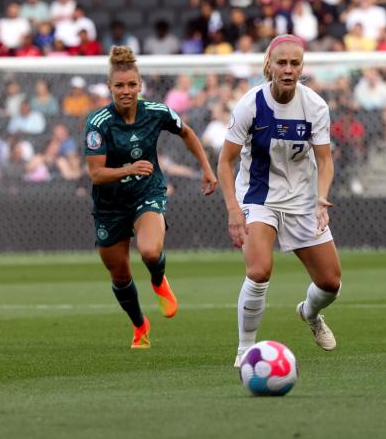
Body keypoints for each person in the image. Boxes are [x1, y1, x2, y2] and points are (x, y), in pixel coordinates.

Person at [216, 34, 342, 368]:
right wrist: (232, 209)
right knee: (259, 271)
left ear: (302, 67)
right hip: (259, 198)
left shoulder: (315, 106)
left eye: (295, 63)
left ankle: (309, 313)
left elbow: (325, 161)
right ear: (269, 65)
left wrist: (321, 198)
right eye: (281, 62)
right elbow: (225, 161)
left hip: (302, 202)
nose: (288, 69)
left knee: (330, 283)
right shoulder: (250, 104)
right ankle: (245, 350)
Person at [84, 46, 217, 349]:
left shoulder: (156, 112)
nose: (126, 91)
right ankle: (139, 325)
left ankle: (158, 280)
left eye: (132, 84)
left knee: (149, 252)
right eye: (119, 85)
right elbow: (96, 174)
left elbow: (187, 133)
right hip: (109, 205)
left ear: (140, 85)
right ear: (110, 88)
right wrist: (129, 168)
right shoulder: (98, 123)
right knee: (119, 273)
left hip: (147, 193)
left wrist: (206, 169)